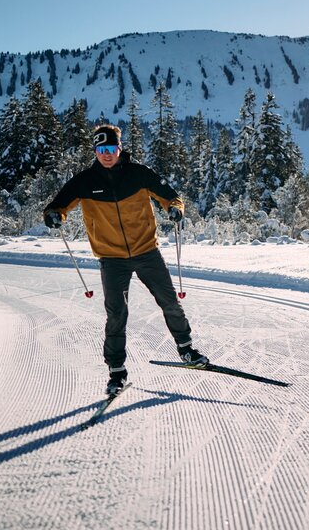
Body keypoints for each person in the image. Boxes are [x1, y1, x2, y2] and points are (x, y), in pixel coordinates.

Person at [43, 123, 209, 395]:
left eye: (111, 148)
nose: (107, 154)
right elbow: (57, 206)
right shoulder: (84, 181)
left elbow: (172, 197)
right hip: (112, 259)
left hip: (147, 252)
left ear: (120, 148)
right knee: (117, 314)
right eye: (101, 149)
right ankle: (116, 372)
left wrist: (176, 209)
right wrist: (53, 216)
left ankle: (186, 350)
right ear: (95, 151)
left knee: (169, 301)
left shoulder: (139, 174)